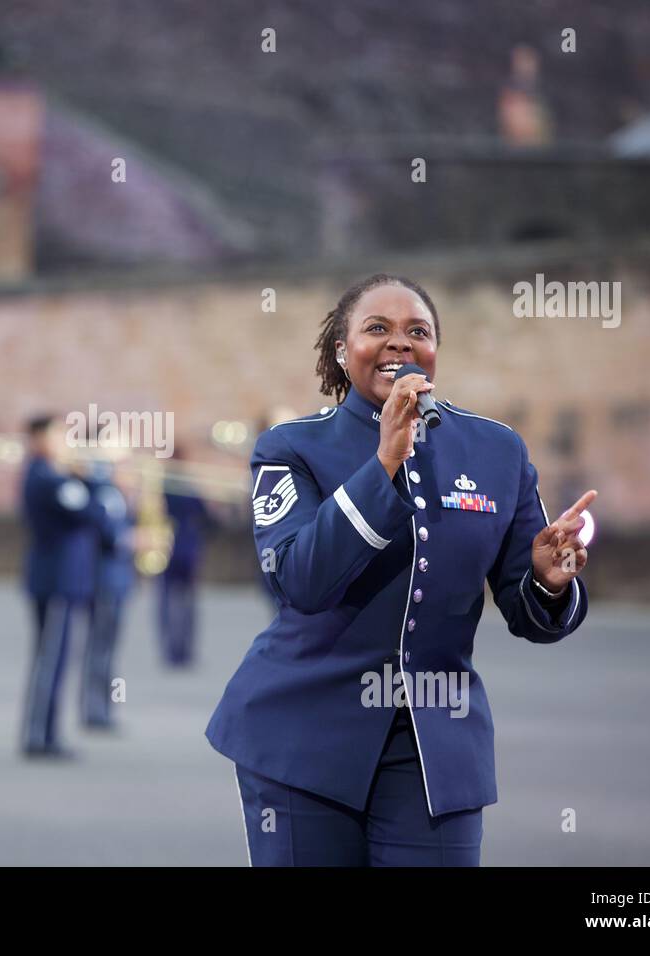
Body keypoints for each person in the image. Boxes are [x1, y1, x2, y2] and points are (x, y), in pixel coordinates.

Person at [206, 274, 595, 866]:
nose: (399, 343)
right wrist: (386, 458)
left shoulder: (497, 451)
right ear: (342, 349)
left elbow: (530, 615)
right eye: (377, 329)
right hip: (301, 737)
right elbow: (302, 582)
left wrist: (547, 578)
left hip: (435, 743)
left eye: (418, 331)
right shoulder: (289, 448)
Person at [19, 414, 103, 758]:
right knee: (51, 659)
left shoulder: (56, 476)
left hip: (63, 580)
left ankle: (45, 732)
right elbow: (92, 512)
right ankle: (40, 735)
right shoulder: (48, 478)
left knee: (54, 658)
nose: (67, 442)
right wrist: (94, 477)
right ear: (40, 439)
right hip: (56, 580)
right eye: (60, 435)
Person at [80, 455, 135, 730]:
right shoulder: (103, 490)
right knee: (100, 647)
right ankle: (94, 708)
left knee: (108, 647)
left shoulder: (115, 492)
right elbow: (108, 533)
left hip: (118, 580)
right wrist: (135, 539)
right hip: (105, 581)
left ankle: (102, 707)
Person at [158, 458, 215, 667]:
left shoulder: (161, 491)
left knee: (166, 603)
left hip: (167, 550)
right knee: (188, 604)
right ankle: (185, 650)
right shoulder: (190, 491)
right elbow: (208, 519)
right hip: (188, 550)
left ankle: (171, 650)